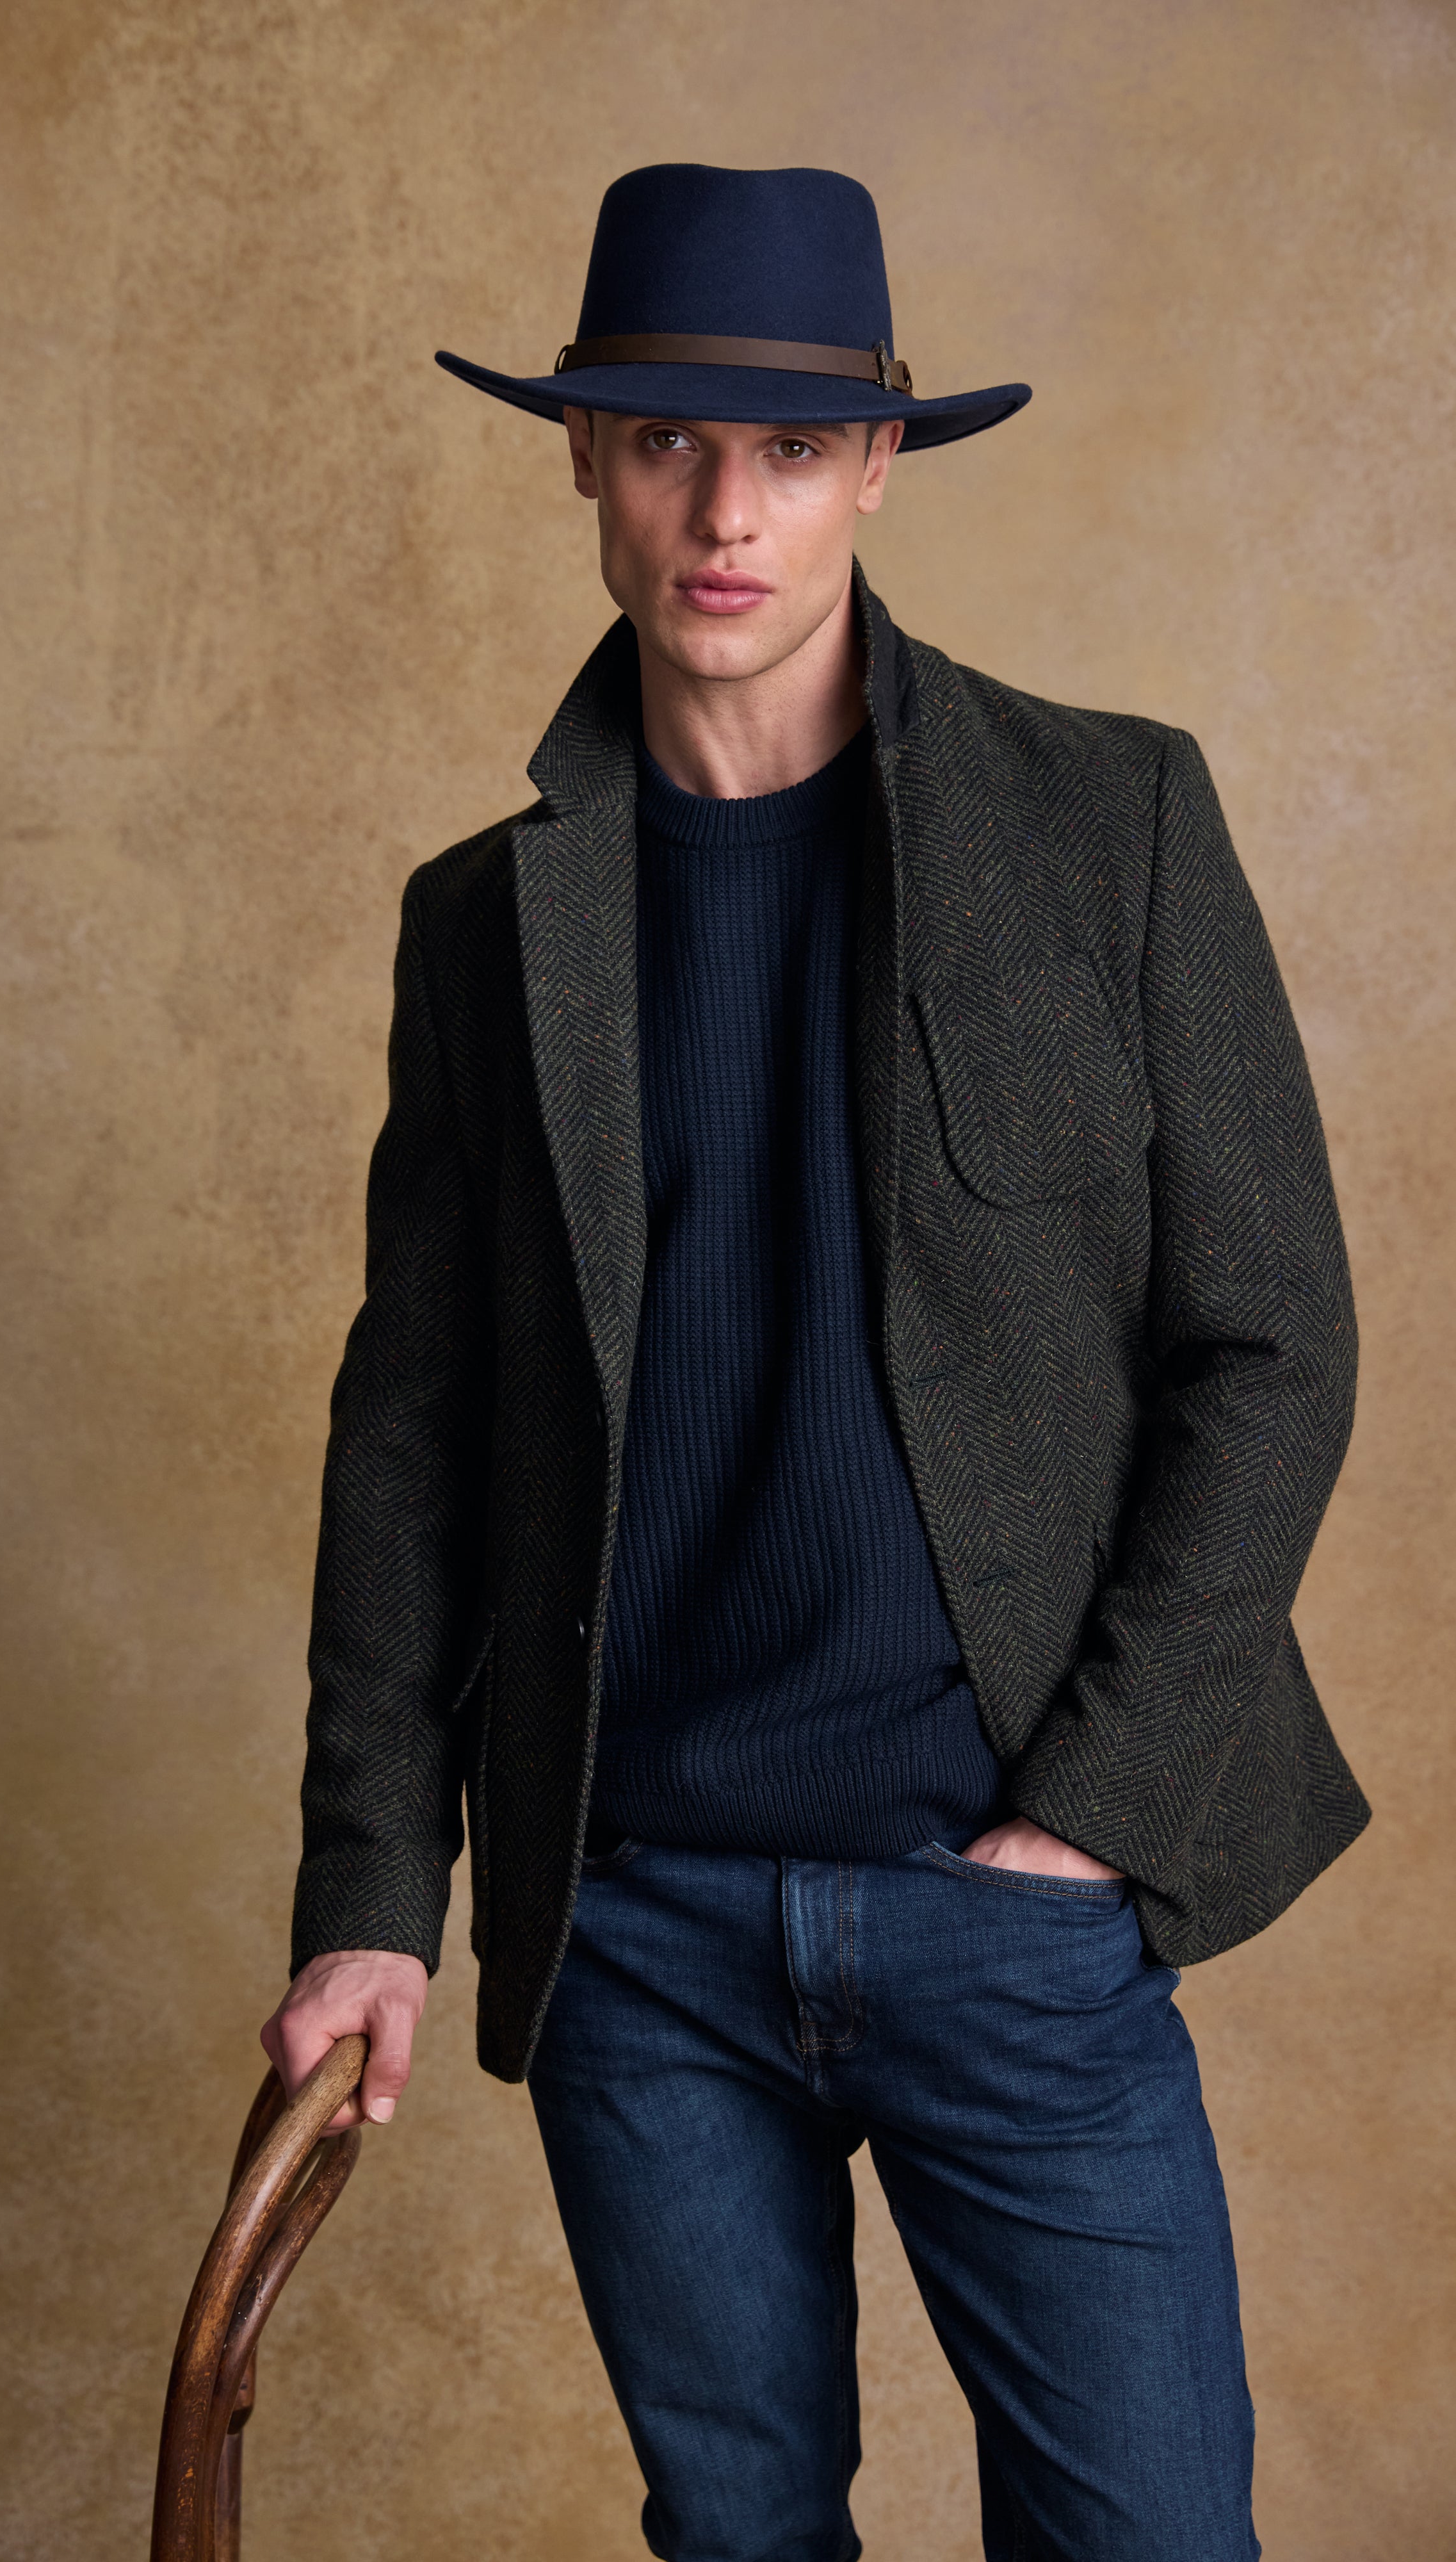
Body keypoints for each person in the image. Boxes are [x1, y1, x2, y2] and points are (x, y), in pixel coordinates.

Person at [260, 162, 1366, 2561]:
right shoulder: (486, 923)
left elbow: (1273, 1343)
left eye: (783, 450)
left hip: (1006, 1905)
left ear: (878, 464)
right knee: (737, 2541)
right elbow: (413, 1440)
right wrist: (368, 1891)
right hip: (637, 1922)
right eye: (663, 441)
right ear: (582, 455)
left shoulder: (1110, 822)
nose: (722, 514)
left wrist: (1085, 1823)